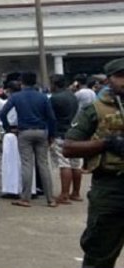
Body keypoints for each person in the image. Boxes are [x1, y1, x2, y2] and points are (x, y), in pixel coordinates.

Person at [63, 57, 124, 268]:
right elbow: (70, 145)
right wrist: (106, 144)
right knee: (99, 254)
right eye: (121, 77)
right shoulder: (94, 109)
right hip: (111, 188)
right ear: (110, 79)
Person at [0, 72, 57, 207]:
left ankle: (25, 198)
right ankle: (50, 199)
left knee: (27, 164)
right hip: (42, 131)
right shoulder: (42, 97)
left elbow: (3, 113)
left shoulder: (16, 97)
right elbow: (51, 118)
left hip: (24, 132)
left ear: (21, 82)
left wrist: (8, 128)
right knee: (43, 165)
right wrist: (51, 134)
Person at [48, 74, 82, 204]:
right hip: (74, 133)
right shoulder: (73, 96)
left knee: (64, 164)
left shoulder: (54, 99)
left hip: (60, 133)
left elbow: (51, 118)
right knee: (76, 164)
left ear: (54, 84)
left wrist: (50, 135)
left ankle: (64, 194)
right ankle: (76, 193)